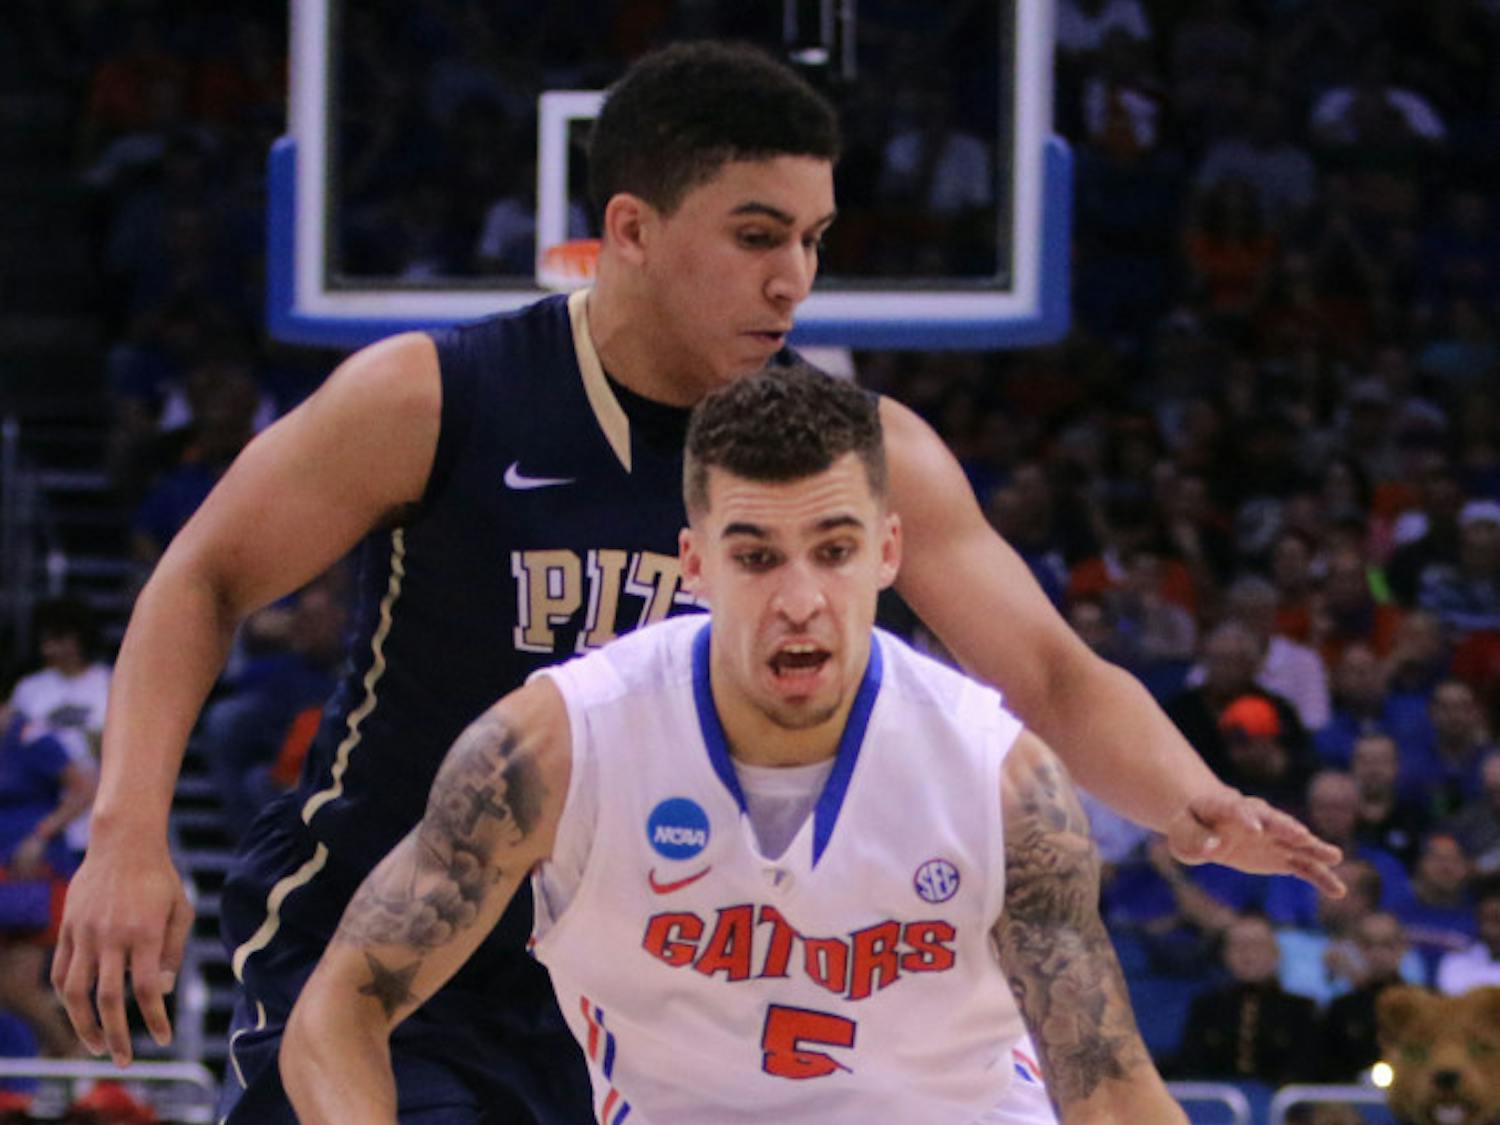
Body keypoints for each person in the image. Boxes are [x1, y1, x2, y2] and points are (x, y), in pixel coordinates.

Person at [54, 40, 1338, 1125]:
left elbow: (1049, 670)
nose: (795, 278)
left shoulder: (848, 459)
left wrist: (1193, 800)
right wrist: (126, 831)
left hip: (639, 977)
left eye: (816, 239)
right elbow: (205, 574)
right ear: (630, 230)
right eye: (757, 235)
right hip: (382, 931)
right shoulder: (432, 395)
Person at [282, 365, 1188, 1124]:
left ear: (888, 552)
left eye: (833, 551)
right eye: (757, 557)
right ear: (697, 564)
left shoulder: (1001, 781)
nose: (800, 599)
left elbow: (1110, 1090)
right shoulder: (554, 749)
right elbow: (340, 1006)